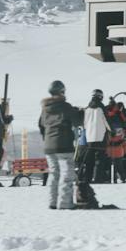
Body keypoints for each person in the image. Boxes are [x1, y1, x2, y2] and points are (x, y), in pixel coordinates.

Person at [38, 81, 79, 210]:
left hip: (49, 146)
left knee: (54, 173)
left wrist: (47, 138)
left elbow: (41, 125)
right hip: (64, 144)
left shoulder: (45, 108)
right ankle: (65, 203)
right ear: (62, 92)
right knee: (66, 173)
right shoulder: (65, 106)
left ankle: (52, 202)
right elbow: (78, 120)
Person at [79, 90, 109, 188]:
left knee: (89, 159)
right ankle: (98, 178)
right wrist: (111, 130)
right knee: (100, 159)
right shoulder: (101, 108)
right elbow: (106, 121)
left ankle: (87, 178)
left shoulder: (87, 108)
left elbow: (84, 123)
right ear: (101, 97)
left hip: (90, 137)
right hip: (101, 136)